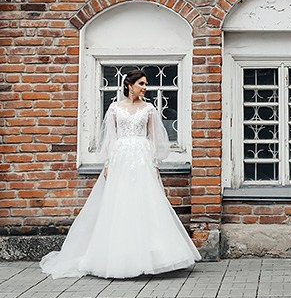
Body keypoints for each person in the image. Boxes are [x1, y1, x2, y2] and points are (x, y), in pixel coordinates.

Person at [40, 70, 200, 279]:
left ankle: (151, 256)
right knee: (120, 204)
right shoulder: (115, 108)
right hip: (121, 159)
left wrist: (154, 164)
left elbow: (153, 139)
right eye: (141, 83)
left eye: (146, 84)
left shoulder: (149, 109)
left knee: (145, 204)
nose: (145, 87)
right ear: (129, 85)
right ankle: (119, 256)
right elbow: (110, 139)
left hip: (142, 158)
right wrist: (107, 163)